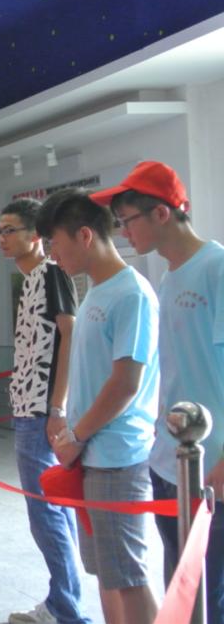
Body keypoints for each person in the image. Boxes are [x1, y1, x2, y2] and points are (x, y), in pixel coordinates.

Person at [92, 161, 224, 623]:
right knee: (181, 588)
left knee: (209, 593)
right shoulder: (169, 277)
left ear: (162, 213)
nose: (123, 233)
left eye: (127, 221)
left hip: (211, 466)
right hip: (171, 462)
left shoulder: (216, 267)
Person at [37, 188, 159, 624]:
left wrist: (76, 435)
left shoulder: (132, 294)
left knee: (128, 576)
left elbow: (126, 383)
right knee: (107, 573)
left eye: (54, 243)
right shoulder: (94, 291)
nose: (52, 255)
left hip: (117, 457)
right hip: (90, 455)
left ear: (85, 235)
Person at [0, 199, 89, 624]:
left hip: (42, 411)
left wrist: (58, 406)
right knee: (53, 510)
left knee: (45, 513)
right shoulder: (31, 279)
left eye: (10, 230)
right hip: (29, 407)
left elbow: (70, 336)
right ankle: (61, 602)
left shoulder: (52, 274)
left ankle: (67, 610)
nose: (2, 237)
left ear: (35, 235)